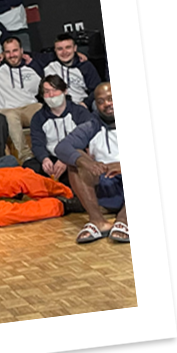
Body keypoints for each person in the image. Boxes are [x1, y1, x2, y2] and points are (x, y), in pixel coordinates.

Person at [55, 82, 126, 244]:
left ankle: (125, 219)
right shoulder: (93, 124)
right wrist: (87, 163)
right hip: (105, 184)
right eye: (101, 101)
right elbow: (62, 147)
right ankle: (98, 221)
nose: (107, 104)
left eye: (111, 99)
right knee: (75, 159)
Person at [0, 37, 44, 163]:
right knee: (10, 117)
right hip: (6, 110)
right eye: (8, 52)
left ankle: (49, 151)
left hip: (29, 107)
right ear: (3, 54)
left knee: (42, 109)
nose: (12, 55)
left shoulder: (33, 66)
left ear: (22, 51)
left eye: (15, 51)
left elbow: (53, 56)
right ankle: (26, 157)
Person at [26, 74, 92, 184]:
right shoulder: (38, 117)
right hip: (52, 158)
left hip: (75, 157)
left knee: (80, 170)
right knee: (29, 168)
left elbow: (86, 140)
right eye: (46, 92)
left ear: (64, 91)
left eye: (55, 90)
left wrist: (67, 159)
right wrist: (44, 159)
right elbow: (37, 143)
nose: (51, 95)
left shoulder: (80, 112)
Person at [30, 33, 102, 107]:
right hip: (54, 106)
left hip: (80, 104)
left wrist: (85, 103)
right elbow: (21, 53)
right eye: (60, 49)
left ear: (75, 48)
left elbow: (97, 89)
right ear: (55, 50)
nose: (64, 52)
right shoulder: (48, 61)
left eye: (68, 47)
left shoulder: (85, 66)